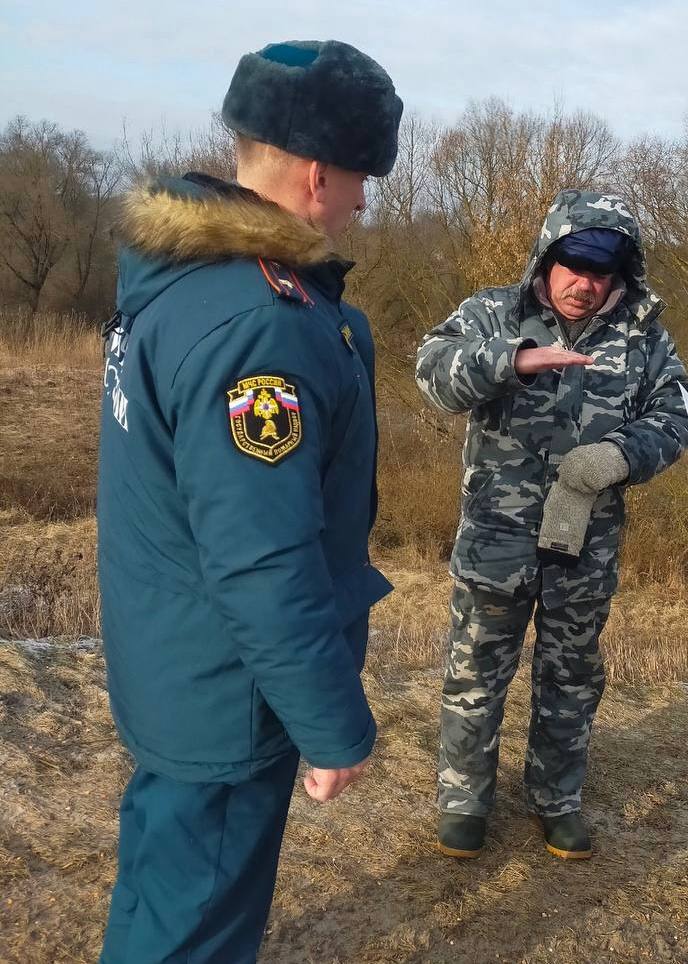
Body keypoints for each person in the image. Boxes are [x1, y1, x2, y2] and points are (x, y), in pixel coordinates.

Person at [96, 40, 402, 962]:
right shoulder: (260, 329)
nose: (361, 202)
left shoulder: (177, 280)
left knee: (163, 890)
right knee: (196, 928)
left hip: (175, 664)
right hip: (227, 695)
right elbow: (262, 557)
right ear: (315, 174)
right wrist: (330, 723)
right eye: (360, 180)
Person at [416, 190, 688, 860]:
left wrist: (623, 453)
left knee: (571, 679)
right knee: (475, 671)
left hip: (585, 548)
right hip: (496, 542)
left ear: (621, 274)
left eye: (602, 270)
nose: (585, 281)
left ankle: (556, 800)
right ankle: (462, 798)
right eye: (573, 263)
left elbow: (680, 416)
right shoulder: (491, 312)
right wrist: (506, 361)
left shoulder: (643, 336)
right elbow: (431, 371)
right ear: (547, 257)